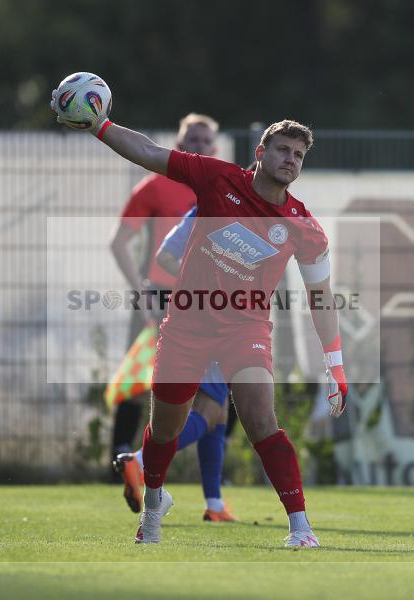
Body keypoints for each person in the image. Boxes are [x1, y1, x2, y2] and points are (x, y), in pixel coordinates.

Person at [57, 100, 349, 548]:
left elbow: (321, 297)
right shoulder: (217, 178)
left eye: (298, 155)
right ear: (260, 152)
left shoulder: (302, 226)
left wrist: (337, 364)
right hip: (187, 324)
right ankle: (154, 505)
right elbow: (150, 152)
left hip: (245, 329)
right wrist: (101, 127)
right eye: (282, 150)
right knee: (166, 430)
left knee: (260, 421)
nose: (290, 160)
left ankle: (300, 528)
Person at [106, 114, 218, 473]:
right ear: (179, 144)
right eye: (192, 139)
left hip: (202, 300)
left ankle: (205, 482)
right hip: (158, 294)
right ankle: (120, 456)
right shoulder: (154, 187)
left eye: (205, 141)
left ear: (213, 147)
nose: (198, 146)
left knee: (210, 386)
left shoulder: (220, 190)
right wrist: (140, 292)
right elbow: (119, 242)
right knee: (140, 378)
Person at [114, 206, 235, 522]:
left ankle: (215, 504)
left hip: (188, 315)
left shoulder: (203, 207)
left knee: (218, 412)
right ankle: (139, 462)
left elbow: (164, 257)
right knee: (208, 412)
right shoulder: (243, 212)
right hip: (217, 320)